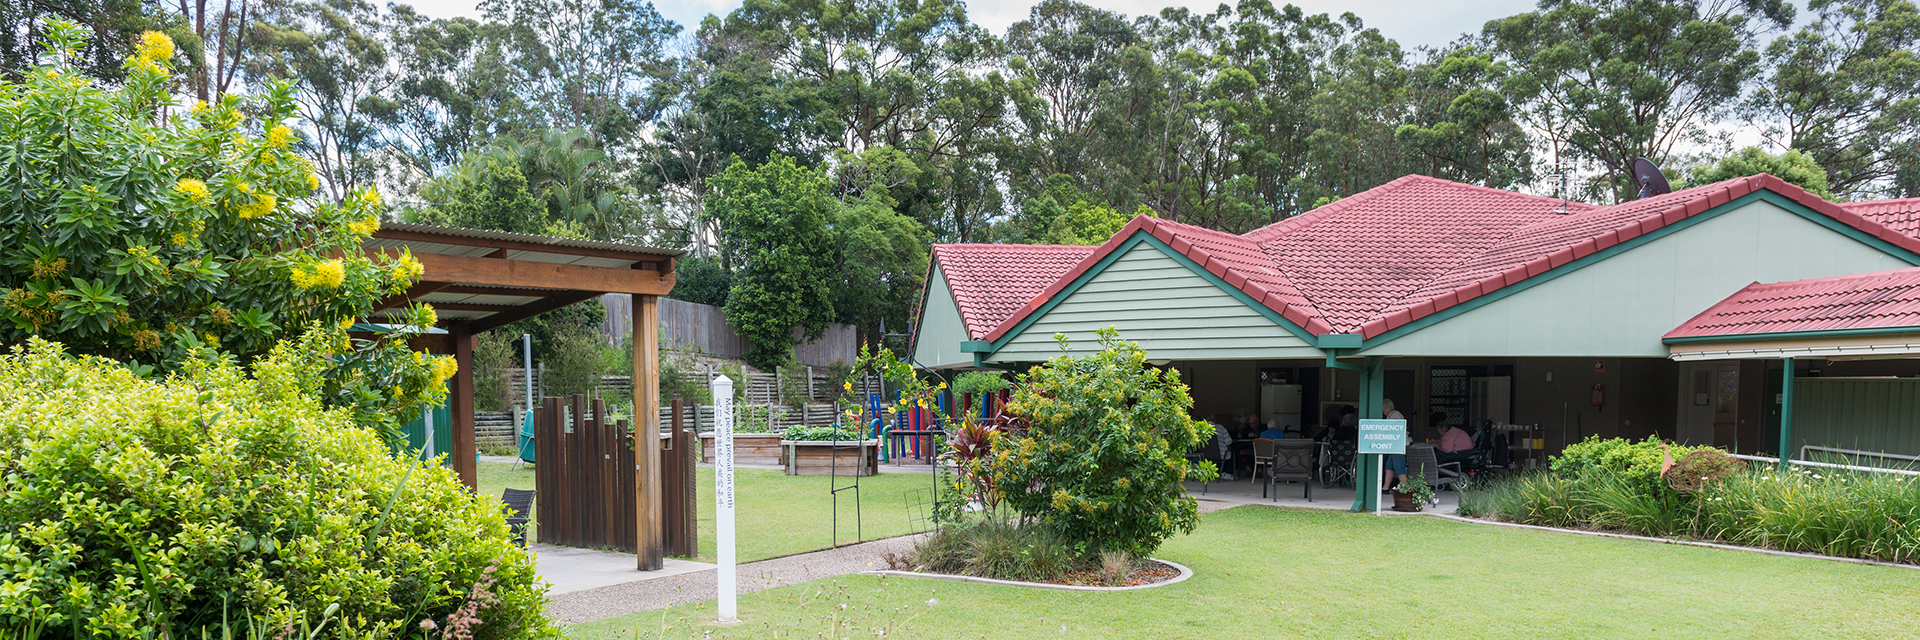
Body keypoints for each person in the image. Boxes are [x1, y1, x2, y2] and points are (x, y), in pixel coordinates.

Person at [1380, 399, 1409, 492]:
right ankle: (1385, 487)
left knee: (1399, 467)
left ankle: (1406, 489)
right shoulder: (1395, 415)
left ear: (1384, 408)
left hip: (1398, 446)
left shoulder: (1393, 417)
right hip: (1395, 446)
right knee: (1390, 466)